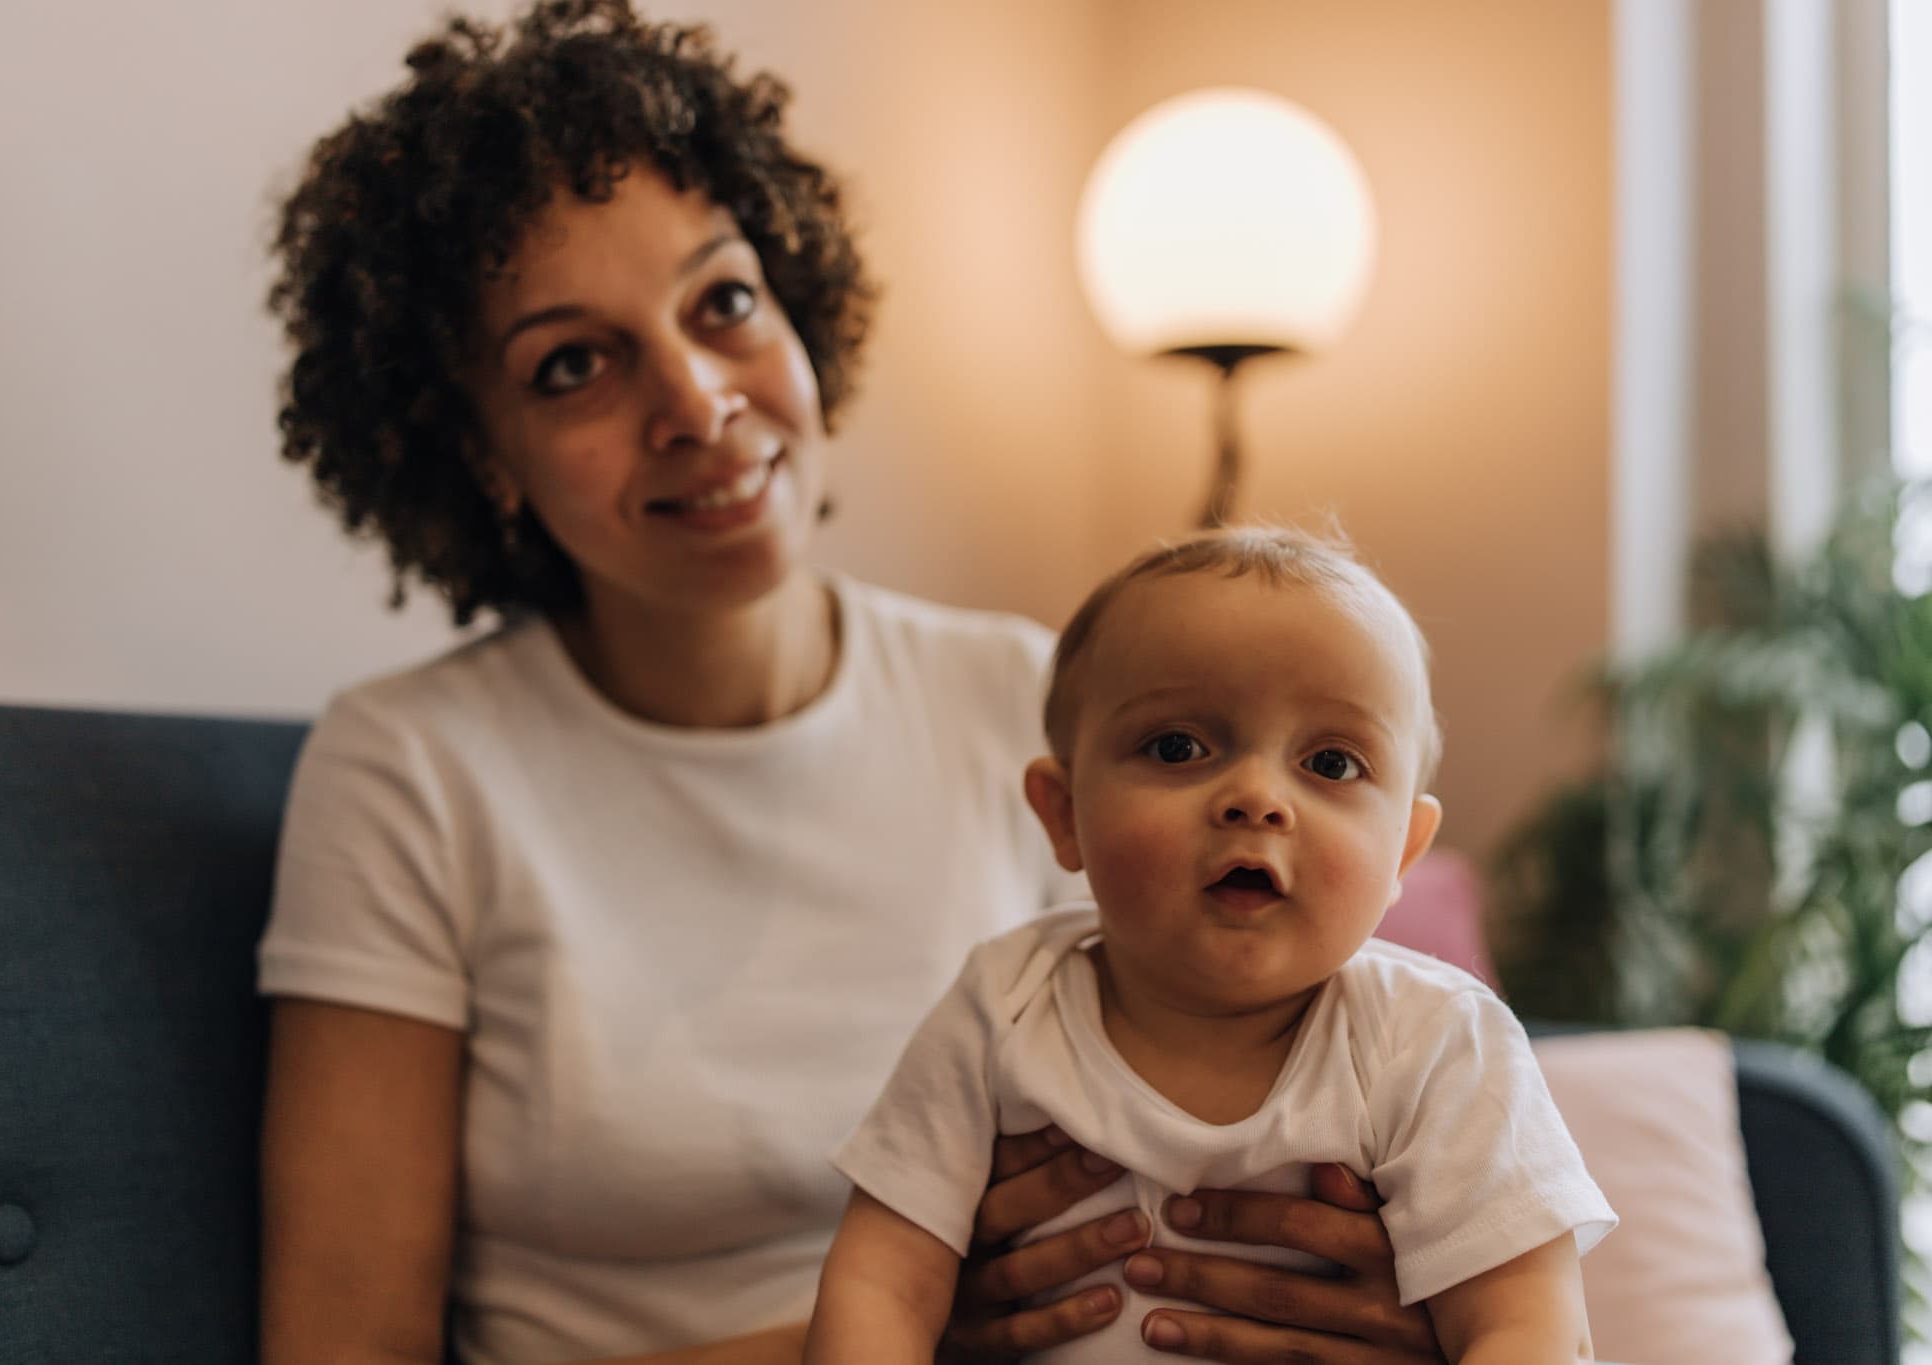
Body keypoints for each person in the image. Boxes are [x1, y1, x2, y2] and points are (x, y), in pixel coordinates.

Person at [254, 2, 1452, 1361]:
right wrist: (904, 1331)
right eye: (574, 364)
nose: (699, 401)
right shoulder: (412, 771)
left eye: (725, 302)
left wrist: (1371, 1289)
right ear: (478, 451)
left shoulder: (1027, 695)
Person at [807, 528, 1618, 1364]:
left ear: (1404, 851)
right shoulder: (1002, 1003)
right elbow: (882, 1283)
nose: (1257, 797)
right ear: (1062, 814)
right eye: (1177, 747)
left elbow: (1529, 1327)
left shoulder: (1437, 1041)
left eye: (1332, 762)